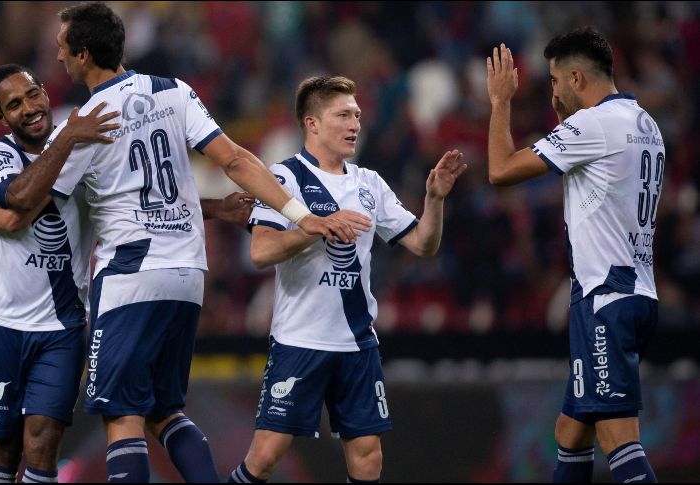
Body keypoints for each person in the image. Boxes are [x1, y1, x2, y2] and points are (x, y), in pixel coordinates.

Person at [0, 3, 371, 483]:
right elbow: (234, 160)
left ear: (84, 54)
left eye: (64, 50)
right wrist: (299, 213)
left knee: (123, 415)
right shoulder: (173, 91)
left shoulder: (82, 123)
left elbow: (27, 202)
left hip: (130, 277)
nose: (60, 59)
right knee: (166, 409)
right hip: (188, 275)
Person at [0, 63, 256, 484]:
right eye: (14, 105)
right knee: (3, 449)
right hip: (0, 322)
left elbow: (134, 198)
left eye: (32, 94)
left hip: (62, 326)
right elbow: (17, 212)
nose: (28, 108)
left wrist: (214, 207)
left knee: (42, 441)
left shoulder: (81, 145)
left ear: (44, 91)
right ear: (2, 118)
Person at [228, 76, 466, 484]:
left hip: (357, 342)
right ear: (312, 123)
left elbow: (423, 245)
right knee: (265, 456)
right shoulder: (283, 178)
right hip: (300, 340)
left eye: (357, 115)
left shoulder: (369, 183)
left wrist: (435, 199)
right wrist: (315, 226)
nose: (355, 123)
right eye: (343, 115)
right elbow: (261, 251)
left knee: (368, 456)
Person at [486, 28, 661, 483]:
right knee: (571, 431)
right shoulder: (644, 122)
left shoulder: (593, 125)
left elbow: (500, 169)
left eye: (555, 81)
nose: (554, 92)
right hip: (636, 289)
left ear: (578, 78)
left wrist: (501, 101)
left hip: (606, 298)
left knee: (618, 437)